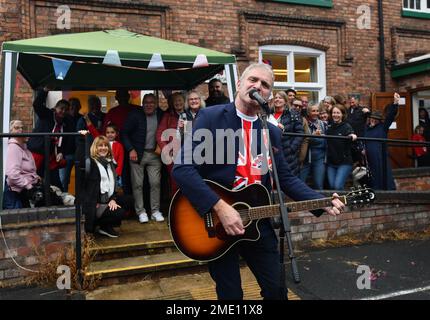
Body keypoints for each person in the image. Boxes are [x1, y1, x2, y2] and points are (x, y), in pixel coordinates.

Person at [172, 63, 345, 300]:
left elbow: (284, 178)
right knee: (230, 294)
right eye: (253, 80)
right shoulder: (210, 117)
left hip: (257, 220)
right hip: (216, 222)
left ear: (269, 95)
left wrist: (320, 200)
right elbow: (182, 168)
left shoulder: (270, 131)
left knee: (277, 290)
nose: (258, 86)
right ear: (239, 84)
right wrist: (220, 208)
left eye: (265, 84)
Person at [122, 93, 164, 223]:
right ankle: (141, 212)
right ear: (142, 104)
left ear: (156, 104)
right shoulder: (135, 115)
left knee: (155, 183)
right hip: (137, 154)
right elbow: (124, 133)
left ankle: (155, 211)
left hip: (155, 154)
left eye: (152, 102)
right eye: (146, 102)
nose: (149, 105)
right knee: (137, 185)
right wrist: (131, 149)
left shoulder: (161, 115)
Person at [27, 88, 74, 191]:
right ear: (55, 108)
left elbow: (65, 140)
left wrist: (62, 152)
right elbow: (37, 105)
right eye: (61, 108)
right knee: (34, 178)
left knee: (54, 181)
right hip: (37, 151)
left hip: (51, 156)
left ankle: (57, 200)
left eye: (66, 109)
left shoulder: (67, 122)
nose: (63, 111)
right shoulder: (47, 114)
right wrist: (44, 91)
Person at [81, 136, 128, 238]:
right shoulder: (92, 163)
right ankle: (100, 225)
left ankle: (105, 226)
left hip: (107, 198)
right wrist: (98, 202)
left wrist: (112, 199)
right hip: (95, 201)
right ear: (95, 148)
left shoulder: (110, 163)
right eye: (100, 146)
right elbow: (91, 188)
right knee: (119, 212)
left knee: (129, 200)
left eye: (105, 145)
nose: (103, 148)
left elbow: (112, 186)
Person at [364, 93, 400, 190]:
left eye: (376, 119)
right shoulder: (366, 128)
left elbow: (390, 116)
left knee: (384, 174)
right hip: (369, 157)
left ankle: (388, 191)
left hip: (381, 155)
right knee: (373, 176)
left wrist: (395, 103)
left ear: (379, 120)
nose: (373, 120)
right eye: (372, 118)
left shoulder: (383, 127)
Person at [156, 92, 189, 196]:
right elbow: (160, 134)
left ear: (184, 102)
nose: (178, 103)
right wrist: (166, 149)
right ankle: (176, 206)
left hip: (189, 153)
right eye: (175, 101)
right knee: (175, 181)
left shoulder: (190, 115)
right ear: (171, 103)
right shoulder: (168, 116)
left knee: (189, 180)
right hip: (173, 154)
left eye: (180, 100)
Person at [3, 120, 40, 209]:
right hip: (14, 195)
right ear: (11, 133)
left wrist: (36, 178)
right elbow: (12, 175)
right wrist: (29, 186)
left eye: (22, 128)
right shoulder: (14, 148)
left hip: (22, 192)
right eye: (17, 128)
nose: (21, 130)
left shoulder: (24, 149)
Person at [270, 92, 304, 176]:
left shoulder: (293, 114)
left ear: (285, 101)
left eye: (280, 98)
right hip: (271, 152)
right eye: (276, 97)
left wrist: (291, 148)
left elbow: (300, 133)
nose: (277, 99)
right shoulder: (268, 114)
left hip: (288, 154)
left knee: (288, 178)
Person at [326, 104, 357, 190]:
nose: (335, 115)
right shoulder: (329, 127)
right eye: (334, 113)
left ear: (342, 114)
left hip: (344, 162)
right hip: (331, 163)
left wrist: (352, 135)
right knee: (332, 186)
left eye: (338, 113)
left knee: (338, 186)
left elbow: (351, 133)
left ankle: (342, 203)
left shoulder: (346, 126)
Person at [300, 104, 328, 190]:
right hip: (305, 158)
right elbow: (303, 139)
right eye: (313, 111)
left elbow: (325, 141)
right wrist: (313, 136)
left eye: (317, 111)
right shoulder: (304, 123)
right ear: (308, 112)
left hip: (319, 158)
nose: (315, 113)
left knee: (318, 184)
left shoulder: (323, 124)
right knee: (301, 183)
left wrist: (317, 137)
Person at [59, 97, 82, 192]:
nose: (73, 107)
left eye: (75, 105)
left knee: (81, 179)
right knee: (63, 179)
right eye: (71, 105)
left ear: (79, 107)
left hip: (79, 154)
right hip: (65, 154)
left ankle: (79, 201)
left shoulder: (82, 118)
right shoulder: (63, 118)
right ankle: (63, 202)